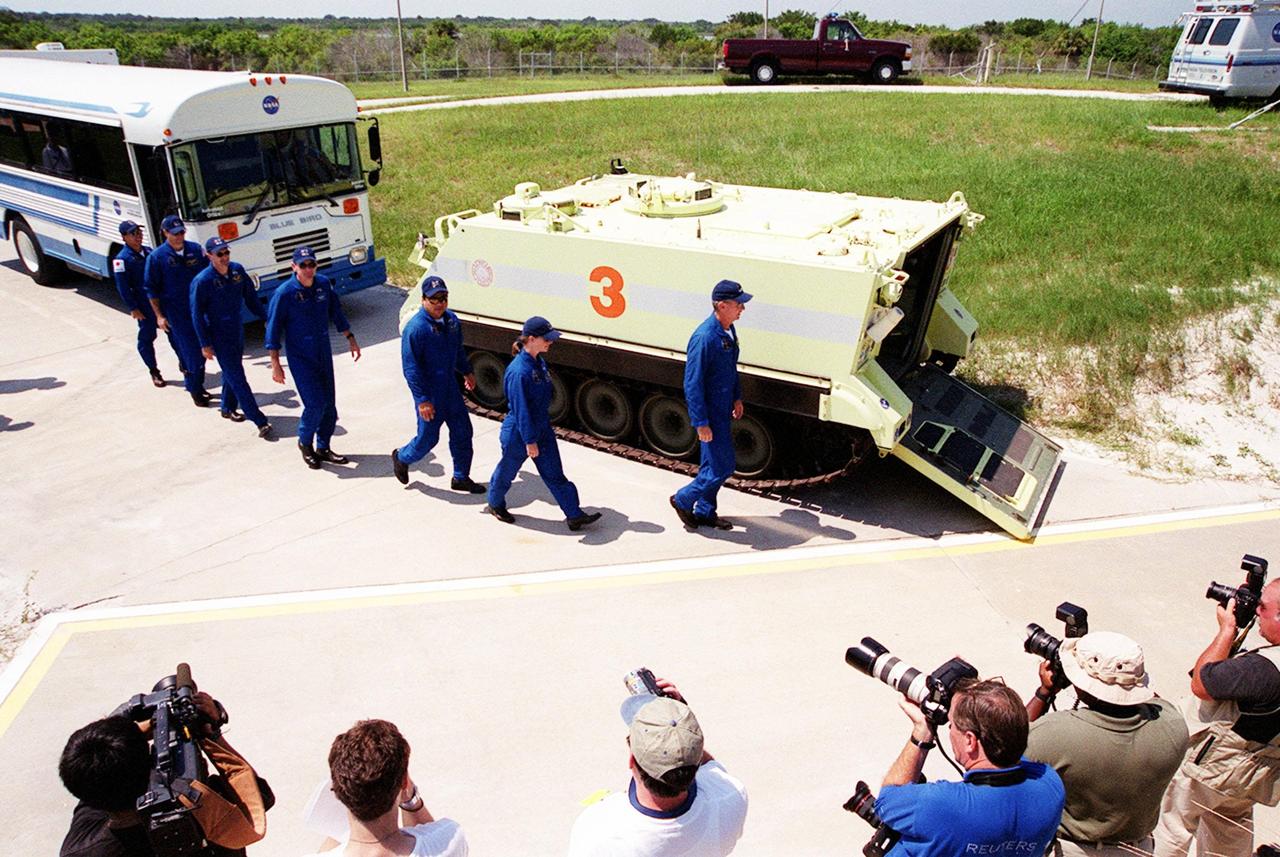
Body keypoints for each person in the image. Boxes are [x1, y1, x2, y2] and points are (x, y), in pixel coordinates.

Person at [1024, 631, 1188, 857]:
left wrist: (1044, 692)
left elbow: (1007, 749)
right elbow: (1154, 701)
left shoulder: (1055, 734)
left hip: (1073, 850)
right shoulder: (1174, 725)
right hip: (1138, 849)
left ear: (1082, 684)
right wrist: (1125, 672)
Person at [58, 690, 273, 857]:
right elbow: (259, 796)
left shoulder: (80, 847)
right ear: (151, 763)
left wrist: (127, 730)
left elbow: (95, 775)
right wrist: (211, 733)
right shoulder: (204, 806)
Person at [1153, 580, 1280, 857]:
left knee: (1172, 828)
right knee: (1230, 835)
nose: (1257, 612)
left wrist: (1227, 629)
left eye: (1263, 607)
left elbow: (1203, 682)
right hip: (1256, 773)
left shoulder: (1263, 671)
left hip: (1210, 767)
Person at [874, 678, 1065, 857]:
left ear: (970, 741)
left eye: (952, 724)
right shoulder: (1051, 786)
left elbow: (886, 801)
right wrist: (980, 696)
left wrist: (922, 733)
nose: (949, 730)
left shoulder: (939, 804)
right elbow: (1009, 742)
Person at [567, 677, 748, 856]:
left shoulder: (597, 832)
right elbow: (709, 767)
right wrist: (682, 727)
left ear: (631, 759)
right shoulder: (730, 795)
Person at [483, 316, 601, 531]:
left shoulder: (538, 361)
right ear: (531, 339)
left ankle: (574, 515)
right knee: (507, 470)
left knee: (554, 472)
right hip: (519, 432)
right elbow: (521, 410)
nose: (550, 342)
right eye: (546, 338)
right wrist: (530, 441)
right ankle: (495, 503)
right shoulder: (519, 371)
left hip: (541, 427)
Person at [300, 719, 467, 857]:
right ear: (404, 783)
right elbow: (429, 834)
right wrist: (411, 801)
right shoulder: (450, 839)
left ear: (337, 791)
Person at [265, 246, 360, 470]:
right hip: (301, 358)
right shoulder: (285, 293)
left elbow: (336, 311)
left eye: (312, 264)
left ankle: (323, 447)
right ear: (294, 267)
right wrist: (275, 364)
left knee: (329, 405)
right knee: (315, 404)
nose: (308, 269)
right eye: (303, 265)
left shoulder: (323, 285)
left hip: (323, 353)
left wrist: (350, 337)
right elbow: (273, 328)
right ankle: (305, 443)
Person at [670, 280, 750, 532]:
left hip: (723, 407)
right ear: (722, 305)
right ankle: (682, 499)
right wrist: (700, 422)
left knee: (711, 465)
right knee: (722, 466)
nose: (742, 309)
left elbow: (730, 369)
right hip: (710, 413)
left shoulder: (727, 331)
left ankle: (705, 511)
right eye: (739, 304)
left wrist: (736, 397)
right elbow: (692, 383)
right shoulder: (705, 337)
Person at [391, 276, 484, 493]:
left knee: (463, 431)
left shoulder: (451, 321)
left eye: (443, 298)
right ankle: (402, 456)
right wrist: (422, 400)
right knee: (428, 438)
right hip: (430, 393)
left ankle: (461, 477)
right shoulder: (416, 329)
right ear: (423, 300)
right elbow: (411, 369)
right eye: (434, 299)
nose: (440, 303)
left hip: (450, 389)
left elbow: (457, 350)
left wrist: (467, 371)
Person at [190, 237, 273, 438]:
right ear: (208, 255)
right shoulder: (202, 281)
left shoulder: (237, 271)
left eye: (226, 252)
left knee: (232, 370)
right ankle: (259, 420)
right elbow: (196, 314)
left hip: (236, 329)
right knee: (238, 376)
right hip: (218, 334)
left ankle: (227, 407)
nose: (225, 257)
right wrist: (204, 343)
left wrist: (267, 318)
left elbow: (251, 298)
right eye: (219, 254)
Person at [144, 215, 210, 407]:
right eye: (174, 234)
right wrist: (159, 316)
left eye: (181, 232)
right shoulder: (156, 258)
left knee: (203, 351)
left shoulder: (195, 251)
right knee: (190, 354)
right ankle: (195, 389)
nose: (179, 237)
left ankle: (197, 384)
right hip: (176, 314)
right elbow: (151, 289)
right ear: (165, 233)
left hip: (198, 310)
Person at [112, 220, 182, 389]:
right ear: (124, 237)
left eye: (139, 232)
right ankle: (154, 370)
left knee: (175, 334)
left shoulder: (149, 252)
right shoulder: (121, 260)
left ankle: (185, 363)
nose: (138, 236)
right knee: (147, 337)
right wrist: (133, 308)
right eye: (133, 234)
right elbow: (123, 287)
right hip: (143, 305)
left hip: (159, 301)